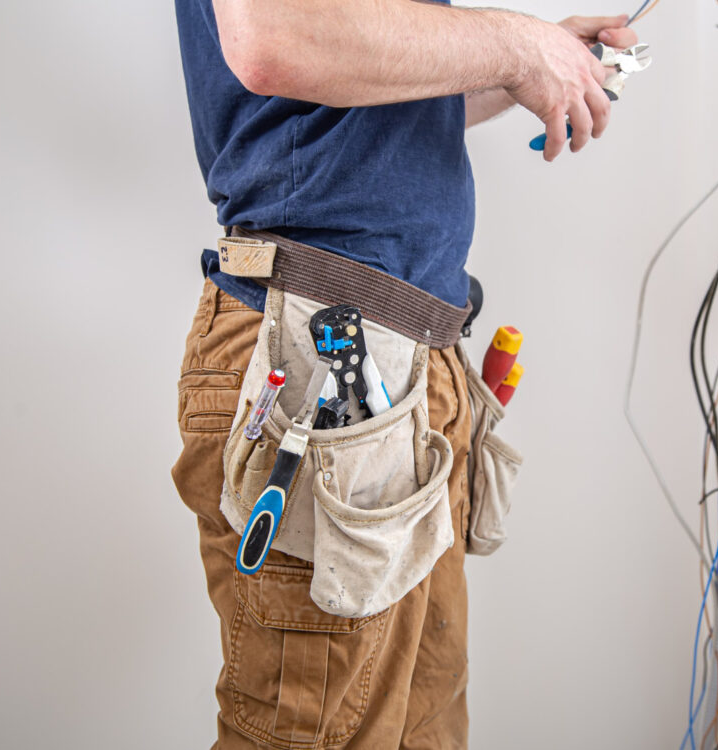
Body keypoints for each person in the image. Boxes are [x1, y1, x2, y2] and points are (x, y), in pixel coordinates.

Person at [172, 2, 637, 747]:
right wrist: (518, 48)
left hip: (410, 368)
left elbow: (378, 99)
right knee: (310, 731)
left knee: (422, 731)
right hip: (311, 361)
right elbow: (274, 39)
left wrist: (541, 60)